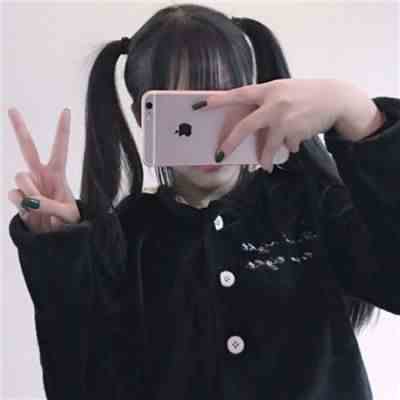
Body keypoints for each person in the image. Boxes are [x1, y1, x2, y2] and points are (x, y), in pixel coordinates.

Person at [7, 3, 400, 400]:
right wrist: (61, 255)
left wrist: (358, 114)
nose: (210, 133)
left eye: (225, 104)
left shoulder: (310, 203)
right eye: (183, 111)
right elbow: (82, 386)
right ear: (144, 116)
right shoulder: (126, 237)